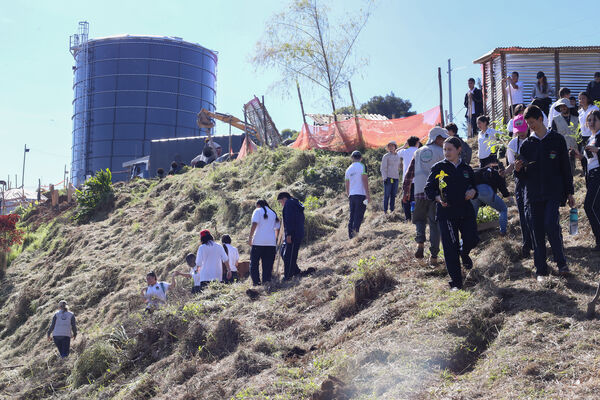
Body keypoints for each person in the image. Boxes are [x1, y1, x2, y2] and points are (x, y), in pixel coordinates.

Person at [515, 105, 575, 279]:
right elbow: (521, 177)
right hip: (532, 195)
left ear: (541, 119)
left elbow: (565, 167)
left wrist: (570, 192)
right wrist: (518, 170)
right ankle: (541, 269)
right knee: (536, 230)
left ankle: (561, 262)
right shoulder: (527, 145)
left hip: (553, 191)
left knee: (551, 223)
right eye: (528, 124)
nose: (530, 126)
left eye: (532, 122)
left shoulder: (556, 140)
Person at [425, 136, 479, 290]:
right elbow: (428, 189)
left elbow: (475, 187)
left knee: (472, 239)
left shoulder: (467, 169)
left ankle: (465, 252)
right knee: (450, 247)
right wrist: (437, 197)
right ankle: (456, 282)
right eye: (444, 149)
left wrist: (473, 191)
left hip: (466, 211)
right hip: (446, 213)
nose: (446, 152)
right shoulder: (438, 168)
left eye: (450, 149)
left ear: (459, 150)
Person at [403, 127, 449, 264]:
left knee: (419, 219)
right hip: (436, 193)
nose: (445, 141)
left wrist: (406, 190)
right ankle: (434, 257)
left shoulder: (418, 152)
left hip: (418, 191)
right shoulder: (442, 152)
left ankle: (420, 243)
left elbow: (409, 173)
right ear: (437, 138)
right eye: (443, 138)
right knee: (435, 224)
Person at [572, 110, 600, 250]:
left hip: (598, 175)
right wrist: (580, 157)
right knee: (596, 207)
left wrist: (597, 149)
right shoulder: (590, 138)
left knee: (589, 206)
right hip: (591, 175)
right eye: (589, 120)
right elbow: (589, 161)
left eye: (594, 120)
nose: (591, 123)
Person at [506, 114, 533, 257]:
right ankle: (526, 243)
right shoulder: (512, 144)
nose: (521, 133)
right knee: (522, 212)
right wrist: (506, 171)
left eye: (523, 129)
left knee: (533, 212)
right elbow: (511, 164)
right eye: (518, 130)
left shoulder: (534, 140)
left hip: (534, 179)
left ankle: (536, 241)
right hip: (520, 180)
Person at [248, 200, 280, 285]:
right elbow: (277, 228)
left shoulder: (257, 211)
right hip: (271, 243)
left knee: (254, 264)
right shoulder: (273, 213)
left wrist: (250, 238)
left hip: (258, 242)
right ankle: (266, 282)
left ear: (258, 205)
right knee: (268, 265)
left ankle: (256, 283)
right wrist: (274, 239)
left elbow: (254, 224)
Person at [471, 165, 510, 235]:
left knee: (473, 215)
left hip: (472, 190)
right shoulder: (498, 174)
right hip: (485, 190)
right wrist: (508, 196)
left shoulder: (483, 170)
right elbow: (503, 189)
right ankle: (503, 232)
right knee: (503, 209)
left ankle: (471, 235)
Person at [277, 192, 306, 280]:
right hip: (298, 232)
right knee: (286, 253)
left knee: (289, 256)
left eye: (280, 202)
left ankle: (288, 276)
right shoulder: (296, 203)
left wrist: (289, 234)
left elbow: (289, 221)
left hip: (293, 234)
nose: (281, 204)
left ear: (284, 199)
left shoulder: (289, 204)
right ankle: (296, 271)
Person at [345, 150, 370, 239]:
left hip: (352, 195)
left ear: (352, 158)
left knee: (352, 215)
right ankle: (356, 234)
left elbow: (347, 184)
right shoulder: (362, 166)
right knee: (359, 215)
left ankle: (350, 235)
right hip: (361, 194)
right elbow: (365, 180)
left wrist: (348, 194)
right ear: (361, 158)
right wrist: (368, 194)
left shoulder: (348, 169)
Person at [551, 98, 579, 174]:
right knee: (562, 170)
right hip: (561, 148)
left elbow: (579, 134)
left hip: (573, 148)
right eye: (561, 106)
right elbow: (553, 135)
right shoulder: (555, 119)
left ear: (568, 107)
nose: (563, 108)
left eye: (564, 106)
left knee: (572, 170)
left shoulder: (576, 118)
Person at [398, 137, 420, 220]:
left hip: (406, 179)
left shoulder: (404, 151)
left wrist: (404, 146)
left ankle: (407, 218)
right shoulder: (419, 151)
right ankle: (416, 217)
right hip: (418, 179)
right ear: (417, 143)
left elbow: (395, 153)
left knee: (406, 199)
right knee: (416, 199)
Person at [380, 141, 402, 214]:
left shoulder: (398, 156)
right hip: (388, 178)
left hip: (396, 178)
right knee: (387, 195)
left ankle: (392, 210)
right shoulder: (386, 156)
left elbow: (400, 166)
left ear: (395, 147)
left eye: (392, 146)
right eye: (389, 146)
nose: (391, 147)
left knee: (393, 195)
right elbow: (383, 168)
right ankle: (385, 211)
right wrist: (384, 178)